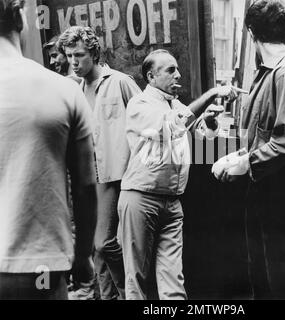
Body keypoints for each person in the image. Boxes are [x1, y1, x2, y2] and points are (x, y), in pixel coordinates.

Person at [212, 0, 285, 299]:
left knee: (280, 282)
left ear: (251, 33)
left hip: (279, 192)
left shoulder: (284, 73)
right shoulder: (269, 72)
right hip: (265, 188)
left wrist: (247, 163)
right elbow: (266, 132)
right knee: (262, 278)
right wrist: (242, 157)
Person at [118, 49, 241, 300]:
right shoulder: (139, 104)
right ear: (151, 76)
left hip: (172, 202)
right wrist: (211, 94)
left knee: (173, 279)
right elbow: (174, 125)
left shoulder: (174, 103)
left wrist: (210, 121)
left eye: (177, 69)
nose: (178, 74)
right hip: (142, 199)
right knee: (137, 279)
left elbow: (200, 135)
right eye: (170, 70)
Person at [0, 0, 97, 299]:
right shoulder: (64, 90)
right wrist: (83, 258)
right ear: (19, 16)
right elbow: (84, 187)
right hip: (39, 269)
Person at [58, 26, 141, 300]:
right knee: (95, 248)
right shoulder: (76, 88)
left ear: (93, 53)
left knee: (105, 244)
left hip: (118, 175)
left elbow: (145, 122)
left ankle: (134, 294)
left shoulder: (120, 82)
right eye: (69, 56)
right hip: (90, 176)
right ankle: (109, 297)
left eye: (79, 55)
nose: (73, 62)